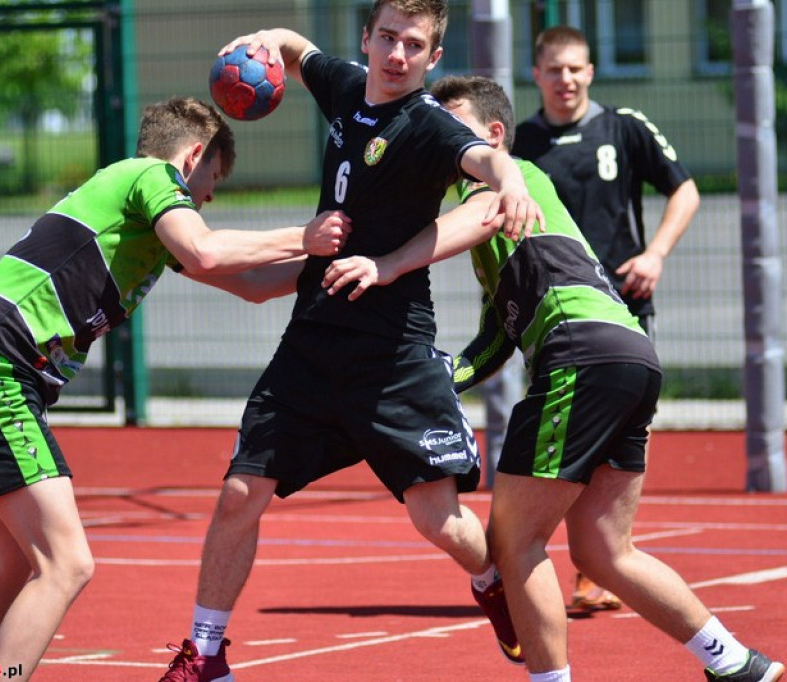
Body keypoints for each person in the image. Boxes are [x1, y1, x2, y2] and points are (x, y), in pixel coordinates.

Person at [324, 73, 784, 682]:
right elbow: (497, 336)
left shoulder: (507, 183)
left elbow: (479, 214)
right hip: (629, 358)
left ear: (493, 136)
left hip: (580, 357)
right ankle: (735, 662)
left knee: (514, 544)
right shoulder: (506, 223)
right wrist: (439, 378)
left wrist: (386, 264)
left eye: (450, 126)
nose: (438, 139)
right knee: (604, 551)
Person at [156, 3, 545, 680]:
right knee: (240, 494)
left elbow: (485, 158)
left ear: (432, 57)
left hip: (391, 352)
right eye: (387, 37)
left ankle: (489, 580)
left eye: (413, 45)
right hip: (311, 342)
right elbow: (292, 46)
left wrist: (511, 180)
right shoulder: (343, 85)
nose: (397, 54)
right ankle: (206, 655)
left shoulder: (427, 124)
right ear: (366, 38)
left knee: (437, 520)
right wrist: (264, 39)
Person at [0, 96, 351, 682]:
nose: (208, 198)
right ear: (193, 157)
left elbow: (253, 282)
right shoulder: (150, 177)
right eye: (212, 182)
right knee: (67, 565)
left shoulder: (140, 216)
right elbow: (205, 250)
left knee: (15, 558)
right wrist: (306, 235)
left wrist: (338, 265)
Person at [512, 24, 702, 615]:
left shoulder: (624, 127)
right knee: (563, 440)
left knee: (617, 440)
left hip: (621, 310)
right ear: (537, 75)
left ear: (590, 72)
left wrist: (655, 254)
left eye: (575, 69)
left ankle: (598, 561)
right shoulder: (520, 146)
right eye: (554, 70)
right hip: (556, 319)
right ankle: (559, 564)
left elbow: (686, 191)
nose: (565, 79)